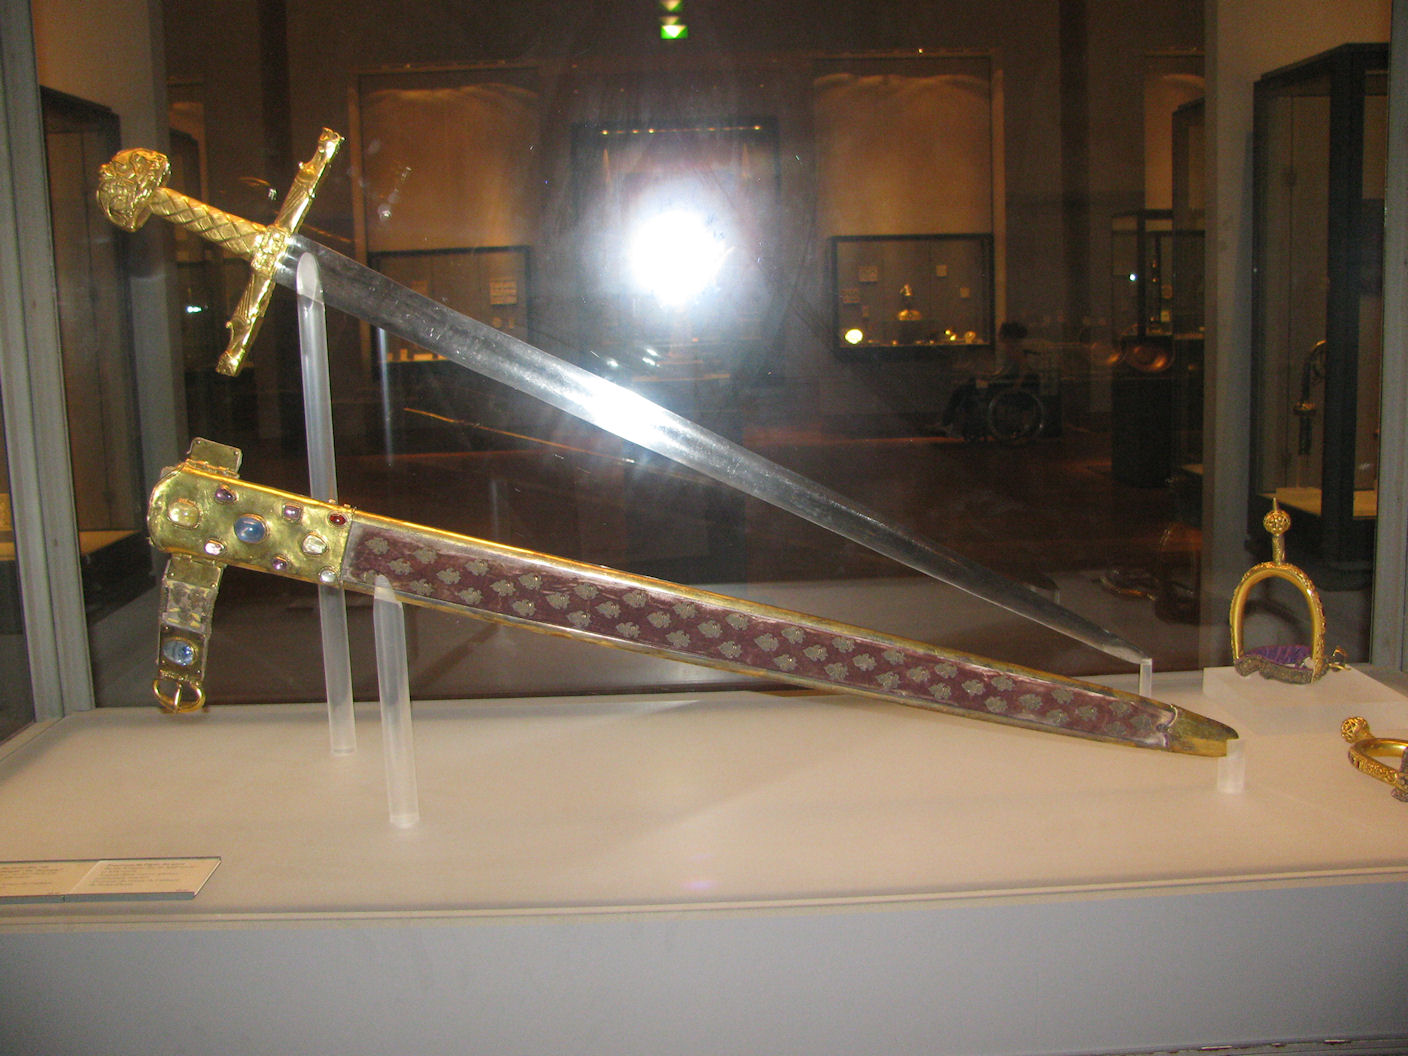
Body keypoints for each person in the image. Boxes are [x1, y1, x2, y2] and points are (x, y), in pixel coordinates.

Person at [936, 321, 1029, 437]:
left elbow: (1022, 369)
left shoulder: (1014, 351)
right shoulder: (1012, 350)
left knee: (965, 391)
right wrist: (988, 375)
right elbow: (1005, 372)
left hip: (1002, 385)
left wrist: (1016, 386)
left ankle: (949, 422)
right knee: (965, 388)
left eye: (1000, 333)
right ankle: (949, 422)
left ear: (1007, 336)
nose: (998, 335)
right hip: (1001, 382)